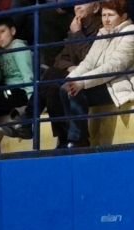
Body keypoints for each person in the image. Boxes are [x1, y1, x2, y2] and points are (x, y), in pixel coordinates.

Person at [60, 0, 134, 148]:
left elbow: (113, 67)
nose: (106, 19)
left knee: (76, 91)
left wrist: (82, 82)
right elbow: (89, 62)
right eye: (103, 15)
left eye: (110, 15)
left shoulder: (132, 33)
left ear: (124, 16)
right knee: (65, 88)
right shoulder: (103, 33)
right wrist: (71, 79)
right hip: (105, 82)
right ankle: (69, 138)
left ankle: (78, 140)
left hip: (123, 83)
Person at [37, 4, 104, 145]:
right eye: (75, 3)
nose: (77, 7)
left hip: (95, 78)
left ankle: (67, 138)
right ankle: (66, 138)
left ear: (96, 7)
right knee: (52, 82)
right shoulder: (76, 27)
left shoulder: (101, 28)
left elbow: (92, 59)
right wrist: (70, 68)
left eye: (83, 2)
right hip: (75, 74)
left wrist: (77, 34)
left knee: (52, 77)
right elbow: (60, 59)